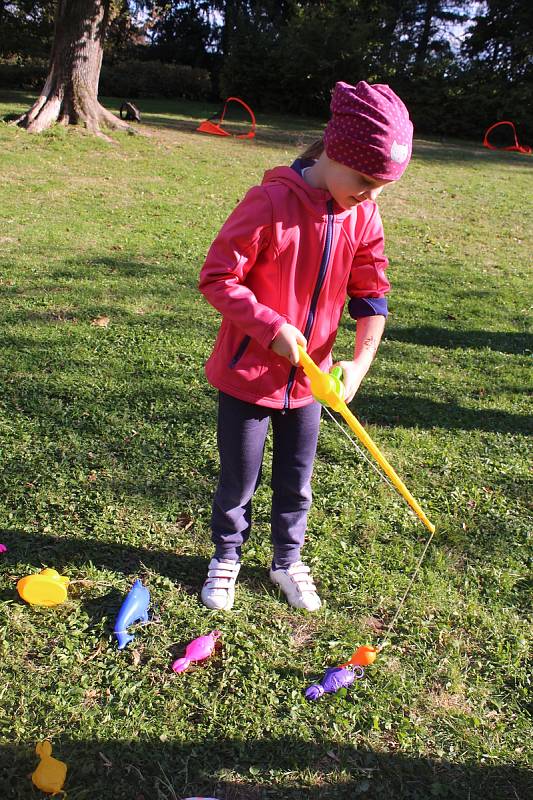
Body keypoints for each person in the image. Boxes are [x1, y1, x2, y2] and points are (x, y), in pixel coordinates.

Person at [198, 80, 413, 612]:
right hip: (249, 376)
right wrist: (271, 327)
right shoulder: (269, 202)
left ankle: (287, 560)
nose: (372, 194)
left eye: (383, 185)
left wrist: (359, 364)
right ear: (334, 151)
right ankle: (226, 556)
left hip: (312, 381)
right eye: (365, 180)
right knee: (238, 479)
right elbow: (218, 277)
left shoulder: (363, 214)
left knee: (297, 483)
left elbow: (371, 294)